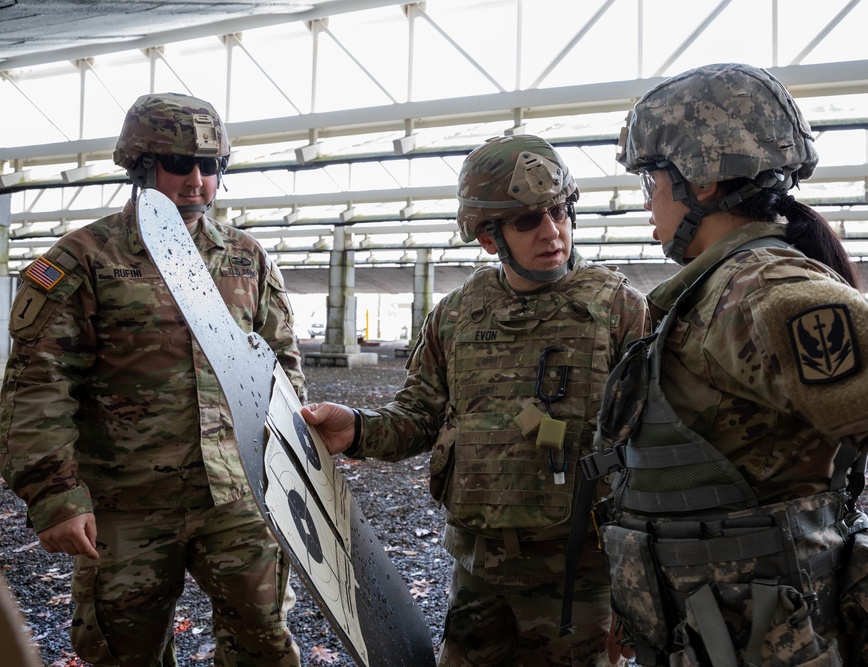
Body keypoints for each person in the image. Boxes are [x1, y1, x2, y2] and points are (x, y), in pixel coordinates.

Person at [592, 62, 868, 666]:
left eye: (650, 180)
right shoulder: (716, 294)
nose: (647, 201)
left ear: (699, 183)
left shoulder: (759, 294)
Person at [301, 134, 649, 666]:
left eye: (559, 211)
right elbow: (420, 414)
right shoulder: (458, 314)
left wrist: (639, 585)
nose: (553, 231)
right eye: (528, 220)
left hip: (578, 582)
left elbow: (655, 450)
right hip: (478, 572)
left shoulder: (622, 311)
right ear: (490, 237)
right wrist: (358, 429)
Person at [0, 93, 304, 667]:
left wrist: (294, 475)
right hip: (126, 504)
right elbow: (38, 386)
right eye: (177, 162)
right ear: (141, 166)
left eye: (209, 165)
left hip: (238, 501)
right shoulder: (82, 259)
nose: (196, 179)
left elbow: (282, 370)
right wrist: (55, 495)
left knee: (265, 645)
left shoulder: (246, 259)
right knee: (123, 652)